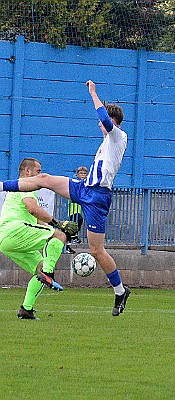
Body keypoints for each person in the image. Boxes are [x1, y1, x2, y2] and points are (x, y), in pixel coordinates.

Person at [0, 80, 131, 317]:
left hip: (97, 198)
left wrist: (93, 94)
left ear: (112, 122)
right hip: (84, 188)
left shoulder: (118, 136)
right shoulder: (107, 141)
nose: (100, 126)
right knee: (44, 179)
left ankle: (120, 291)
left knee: (96, 250)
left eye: (104, 124)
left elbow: (103, 118)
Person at [0, 158, 78, 320]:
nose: (40, 175)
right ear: (28, 172)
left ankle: (26, 309)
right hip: (14, 229)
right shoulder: (26, 184)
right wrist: (59, 225)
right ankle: (49, 273)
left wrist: (54, 228)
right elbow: (33, 208)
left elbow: (37, 220)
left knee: (41, 268)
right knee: (59, 235)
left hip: (6, 239)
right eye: (38, 171)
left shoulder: (17, 188)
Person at [65, 166, 88, 254]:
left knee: (73, 226)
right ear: (77, 174)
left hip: (80, 208)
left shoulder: (86, 183)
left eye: (84, 173)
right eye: (81, 173)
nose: (83, 175)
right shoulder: (75, 182)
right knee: (76, 221)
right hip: (73, 209)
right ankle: (74, 237)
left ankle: (68, 244)